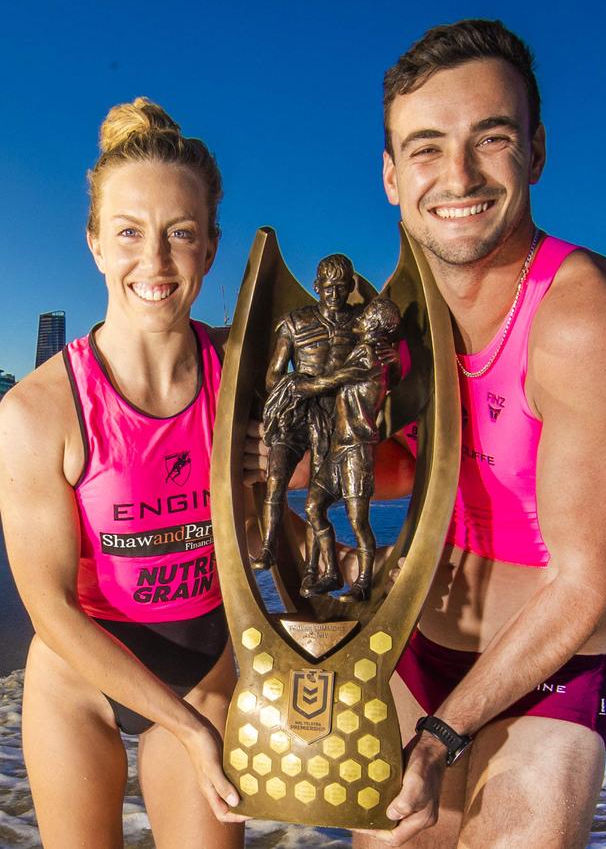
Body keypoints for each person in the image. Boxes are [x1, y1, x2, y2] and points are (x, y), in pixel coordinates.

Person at [355, 19, 606, 848]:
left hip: (550, 673)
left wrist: (446, 732)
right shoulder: (403, 309)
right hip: (418, 646)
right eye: (425, 148)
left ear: (536, 151)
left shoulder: (592, 319)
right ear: (390, 175)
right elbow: (412, 466)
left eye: (491, 138)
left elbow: (590, 576)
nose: (458, 175)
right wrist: (285, 473)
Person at [0, 98, 247, 848]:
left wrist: (269, 494)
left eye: (180, 235)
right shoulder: (38, 411)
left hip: (205, 666)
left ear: (209, 247)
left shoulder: (241, 381)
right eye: (130, 233)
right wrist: (185, 726)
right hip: (79, 683)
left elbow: (273, 539)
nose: (156, 262)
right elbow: (50, 608)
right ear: (95, 244)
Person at [252, 253, 361, 572]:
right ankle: (270, 545)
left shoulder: (359, 325)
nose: (334, 294)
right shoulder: (295, 322)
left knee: (321, 496)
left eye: (341, 287)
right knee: (276, 478)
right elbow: (272, 375)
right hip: (297, 412)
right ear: (317, 287)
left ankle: (322, 566)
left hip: (337, 416)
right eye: (328, 287)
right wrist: (295, 383)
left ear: (351, 286)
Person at [294, 297, 402, 600]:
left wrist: (297, 386)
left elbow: (332, 379)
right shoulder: (370, 353)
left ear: (375, 323)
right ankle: (331, 572)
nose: (361, 319)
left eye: (366, 315)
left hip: (357, 448)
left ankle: (364, 582)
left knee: (358, 520)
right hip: (338, 447)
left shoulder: (369, 355)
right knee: (314, 507)